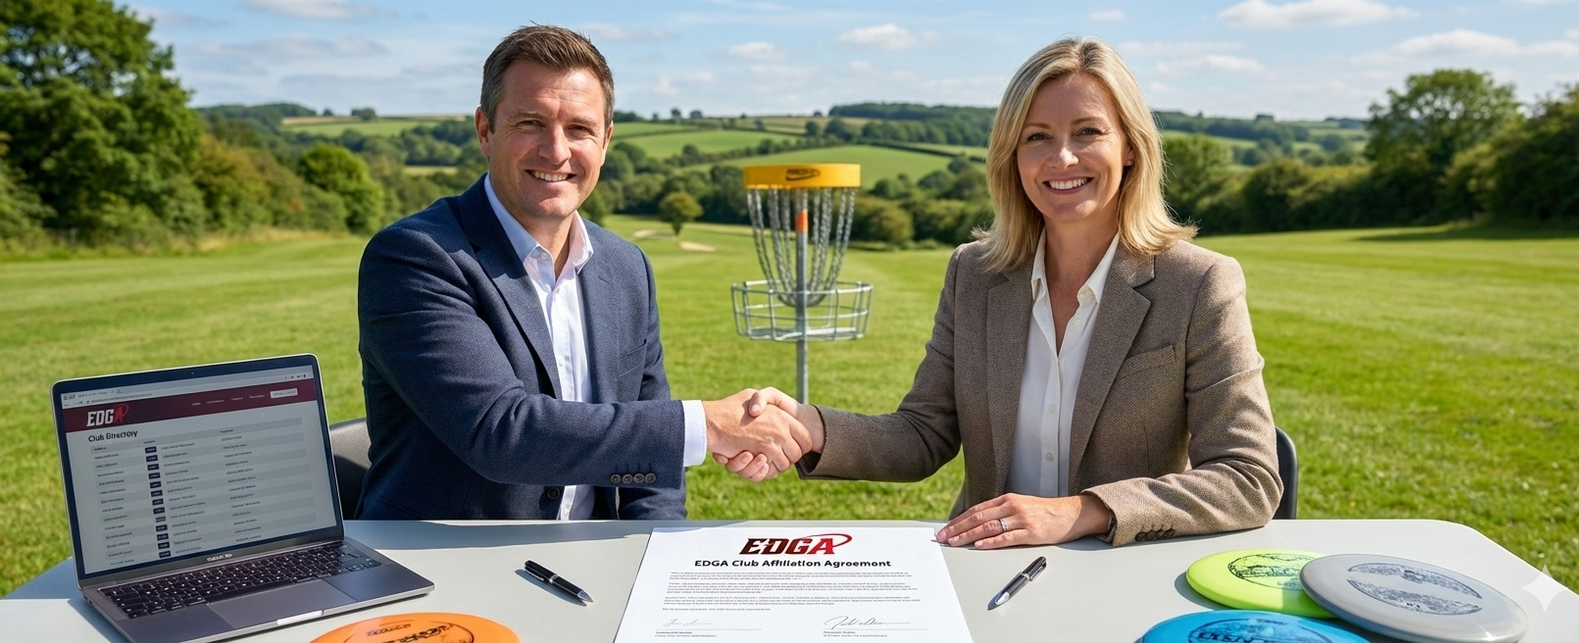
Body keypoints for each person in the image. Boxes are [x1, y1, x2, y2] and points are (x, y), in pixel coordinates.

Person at [726, 38, 1281, 547]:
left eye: (1088, 132)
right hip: (985, 564)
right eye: (1037, 137)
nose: (1061, 158)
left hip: (1120, 570)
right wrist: (811, 426)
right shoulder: (974, 273)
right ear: (1012, 157)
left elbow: (1248, 477)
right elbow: (924, 433)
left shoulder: (1200, 283)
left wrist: (1082, 511)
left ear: (1131, 147)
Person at [356, 25, 808, 521]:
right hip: (443, 565)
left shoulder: (627, 266)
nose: (556, 151)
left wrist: (650, 557)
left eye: (579, 129)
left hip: (595, 562)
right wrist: (707, 426)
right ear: (485, 130)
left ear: (606, 140)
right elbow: (500, 432)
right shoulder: (415, 256)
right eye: (530, 122)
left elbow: (652, 471)